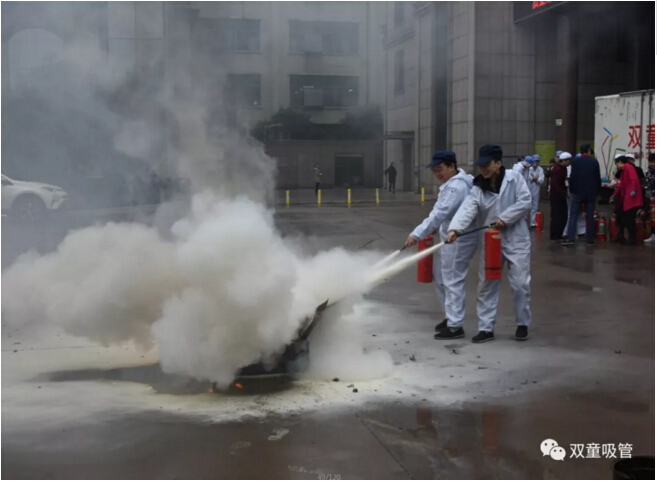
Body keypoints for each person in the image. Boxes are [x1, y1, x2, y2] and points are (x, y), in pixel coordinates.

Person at [446, 144, 532, 343]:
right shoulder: (478, 187)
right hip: (492, 241)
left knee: (520, 283)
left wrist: (505, 218)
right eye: (481, 165)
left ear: (498, 163)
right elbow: (468, 208)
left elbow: (525, 201)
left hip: (516, 239)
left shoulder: (515, 178)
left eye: (486, 164)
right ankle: (486, 328)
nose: (482, 169)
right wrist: (455, 229)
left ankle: (522, 323)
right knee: (487, 283)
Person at [405, 151, 478, 340]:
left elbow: (439, 213)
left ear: (452, 166)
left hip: (459, 241)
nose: (437, 174)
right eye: (435, 171)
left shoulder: (456, 187)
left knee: (452, 280)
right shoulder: (455, 184)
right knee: (440, 278)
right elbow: (445, 214)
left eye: (440, 169)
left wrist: (417, 233)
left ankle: (455, 326)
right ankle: (450, 316)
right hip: (450, 239)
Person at [562, 144, 600, 246]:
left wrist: (572, 190)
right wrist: (596, 192)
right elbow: (597, 178)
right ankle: (590, 239)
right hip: (590, 193)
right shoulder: (594, 162)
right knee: (589, 216)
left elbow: (572, 177)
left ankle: (570, 238)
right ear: (588, 151)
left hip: (577, 192)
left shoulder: (575, 162)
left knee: (573, 215)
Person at [610, 154, 644, 244]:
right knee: (620, 215)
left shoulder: (628, 168)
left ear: (620, 162)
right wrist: (614, 195)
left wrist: (632, 191)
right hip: (627, 197)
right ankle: (621, 235)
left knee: (628, 218)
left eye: (617, 164)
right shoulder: (624, 170)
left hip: (631, 198)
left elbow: (633, 180)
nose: (617, 166)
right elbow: (621, 185)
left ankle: (632, 237)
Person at [550, 152, 571, 241]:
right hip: (556, 196)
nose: (569, 162)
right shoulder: (557, 169)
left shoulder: (563, 169)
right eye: (568, 161)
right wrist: (564, 193)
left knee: (562, 216)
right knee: (557, 216)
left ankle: (559, 234)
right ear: (564, 161)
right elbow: (555, 184)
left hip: (561, 196)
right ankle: (555, 235)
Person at [643, 153, 655, 244]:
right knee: (652, 218)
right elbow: (646, 185)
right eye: (651, 162)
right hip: (652, 199)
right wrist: (650, 196)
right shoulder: (648, 172)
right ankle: (653, 235)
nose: (652, 164)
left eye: (654, 162)